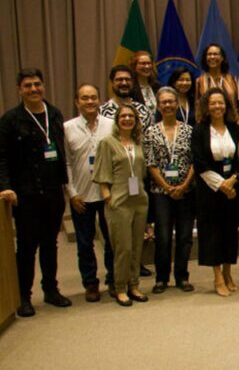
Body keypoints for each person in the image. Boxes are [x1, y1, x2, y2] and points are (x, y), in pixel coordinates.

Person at [0, 69, 72, 317]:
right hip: (26, 193)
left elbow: (60, 152)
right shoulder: (10, 120)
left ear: (43, 86)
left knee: (50, 243)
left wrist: (65, 185)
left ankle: (51, 290)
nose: (33, 89)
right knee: (27, 246)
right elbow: (2, 158)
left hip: (53, 192)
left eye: (37, 84)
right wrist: (5, 186)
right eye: (28, 85)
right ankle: (24, 296)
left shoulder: (54, 114)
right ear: (19, 90)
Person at [63, 84, 115, 302]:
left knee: (112, 240)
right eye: (85, 98)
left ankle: (113, 279)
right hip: (81, 196)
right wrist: (72, 193)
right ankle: (90, 283)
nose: (90, 101)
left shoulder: (111, 125)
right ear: (77, 102)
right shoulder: (67, 128)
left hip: (108, 194)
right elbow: (66, 163)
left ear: (99, 100)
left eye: (94, 97)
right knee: (85, 243)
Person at [92, 105, 149, 307]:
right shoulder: (108, 143)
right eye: (123, 116)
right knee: (123, 248)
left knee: (136, 246)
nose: (127, 119)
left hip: (139, 200)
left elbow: (141, 171)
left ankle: (134, 285)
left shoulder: (138, 142)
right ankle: (121, 288)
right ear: (117, 120)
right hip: (119, 201)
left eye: (131, 116)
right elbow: (102, 171)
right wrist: (107, 195)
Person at [143, 87, 196, 294]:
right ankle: (161, 278)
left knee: (184, 236)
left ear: (177, 104)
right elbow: (150, 164)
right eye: (164, 102)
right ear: (158, 106)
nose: (168, 105)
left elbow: (194, 162)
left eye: (171, 101)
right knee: (163, 237)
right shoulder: (151, 132)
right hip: (160, 193)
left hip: (186, 191)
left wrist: (183, 186)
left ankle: (182, 276)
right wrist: (167, 187)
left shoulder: (189, 131)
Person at [192, 88, 239, 297]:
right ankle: (217, 277)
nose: (217, 106)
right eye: (213, 103)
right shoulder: (200, 130)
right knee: (212, 234)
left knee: (231, 232)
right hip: (210, 190)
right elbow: (199, 162)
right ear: (206, 106)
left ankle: (228, 272)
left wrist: (232, 181)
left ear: (226, 105)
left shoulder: (234, 128)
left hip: (233, 188)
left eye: (220, 102)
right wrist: (222, 185)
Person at [100, 65, 153, 129]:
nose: (124, 83)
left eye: (127, 79)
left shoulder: (143, 111)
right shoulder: (102, 112)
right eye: (119, 80)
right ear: (112, 83)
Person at [195, 44, 239, 108]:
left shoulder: (232, 79)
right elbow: (197, 106)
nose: (212, 57)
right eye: (209, 54)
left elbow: (237, 104)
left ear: (222, 58)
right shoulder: (200, 81)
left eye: (215, 54)